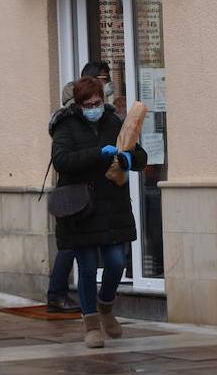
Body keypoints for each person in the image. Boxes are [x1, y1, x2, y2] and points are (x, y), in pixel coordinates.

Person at [49, 76, 147, 348]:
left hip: (112, 205)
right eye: (89, 104)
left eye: (98, 103)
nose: (95, 108)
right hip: (80, 208)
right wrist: (97, 153)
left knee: (116, 263)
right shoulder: (65, 125)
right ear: (79, 105)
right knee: (88, 267)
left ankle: (106, 306)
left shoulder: (114, 121)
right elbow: (62, 160)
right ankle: (91, 324)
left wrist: (131, 158)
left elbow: (139, 154)